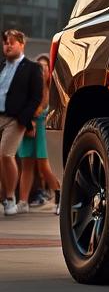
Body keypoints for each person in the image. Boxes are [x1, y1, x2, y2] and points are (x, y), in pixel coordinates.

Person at [0, 29, 44, 217]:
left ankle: (10, 198)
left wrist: (24, 121)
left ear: (22, 44)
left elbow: (36, 98)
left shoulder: (32, 68)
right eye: (5, 43)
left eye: (12, 42)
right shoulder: (1, 65)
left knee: (5, 155)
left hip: (14, 119)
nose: (7, 45)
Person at [16, 53, 61, 213]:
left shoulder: (54, 89)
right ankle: (23, 202)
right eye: (39, 67)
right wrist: (29, 124)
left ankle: (60, 198)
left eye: (45, 67)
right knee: (26, 164)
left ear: (50, 70)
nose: (42, 71)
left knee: (44, 165)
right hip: (29, 127)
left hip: (44, 129)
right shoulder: (29, 87)